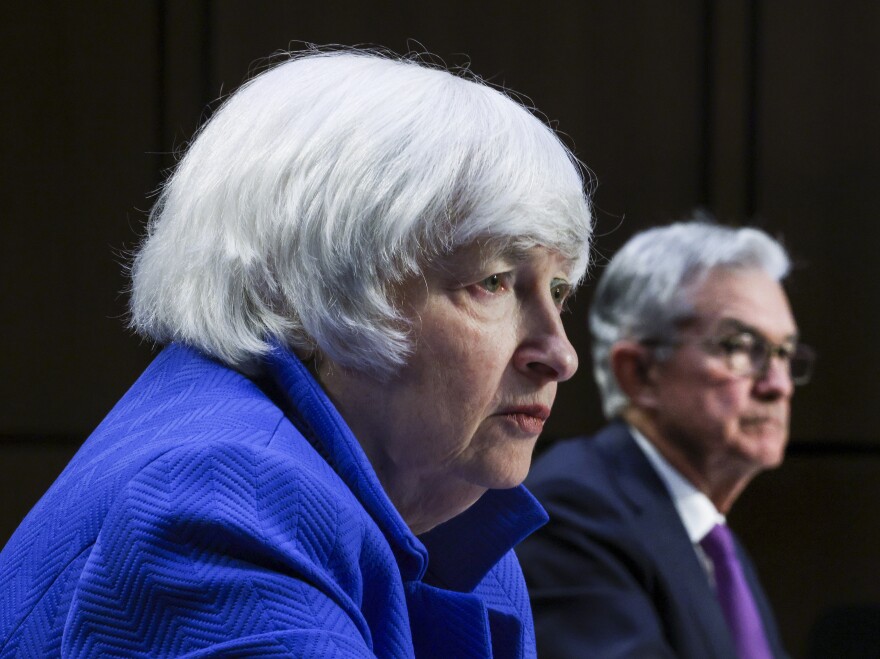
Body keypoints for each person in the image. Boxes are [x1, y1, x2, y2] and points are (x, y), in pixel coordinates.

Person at [0, 49, 593, 658]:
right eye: (492, 282)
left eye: (557, 291)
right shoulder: (221, 500)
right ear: (323, 285)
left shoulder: (456, 509)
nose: (560, 354)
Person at [518, 221, 812, 658]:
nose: (778, 384)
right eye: (740, 346)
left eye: (784, 353)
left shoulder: (711, 539)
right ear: (639, 373)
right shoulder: (575, 510)